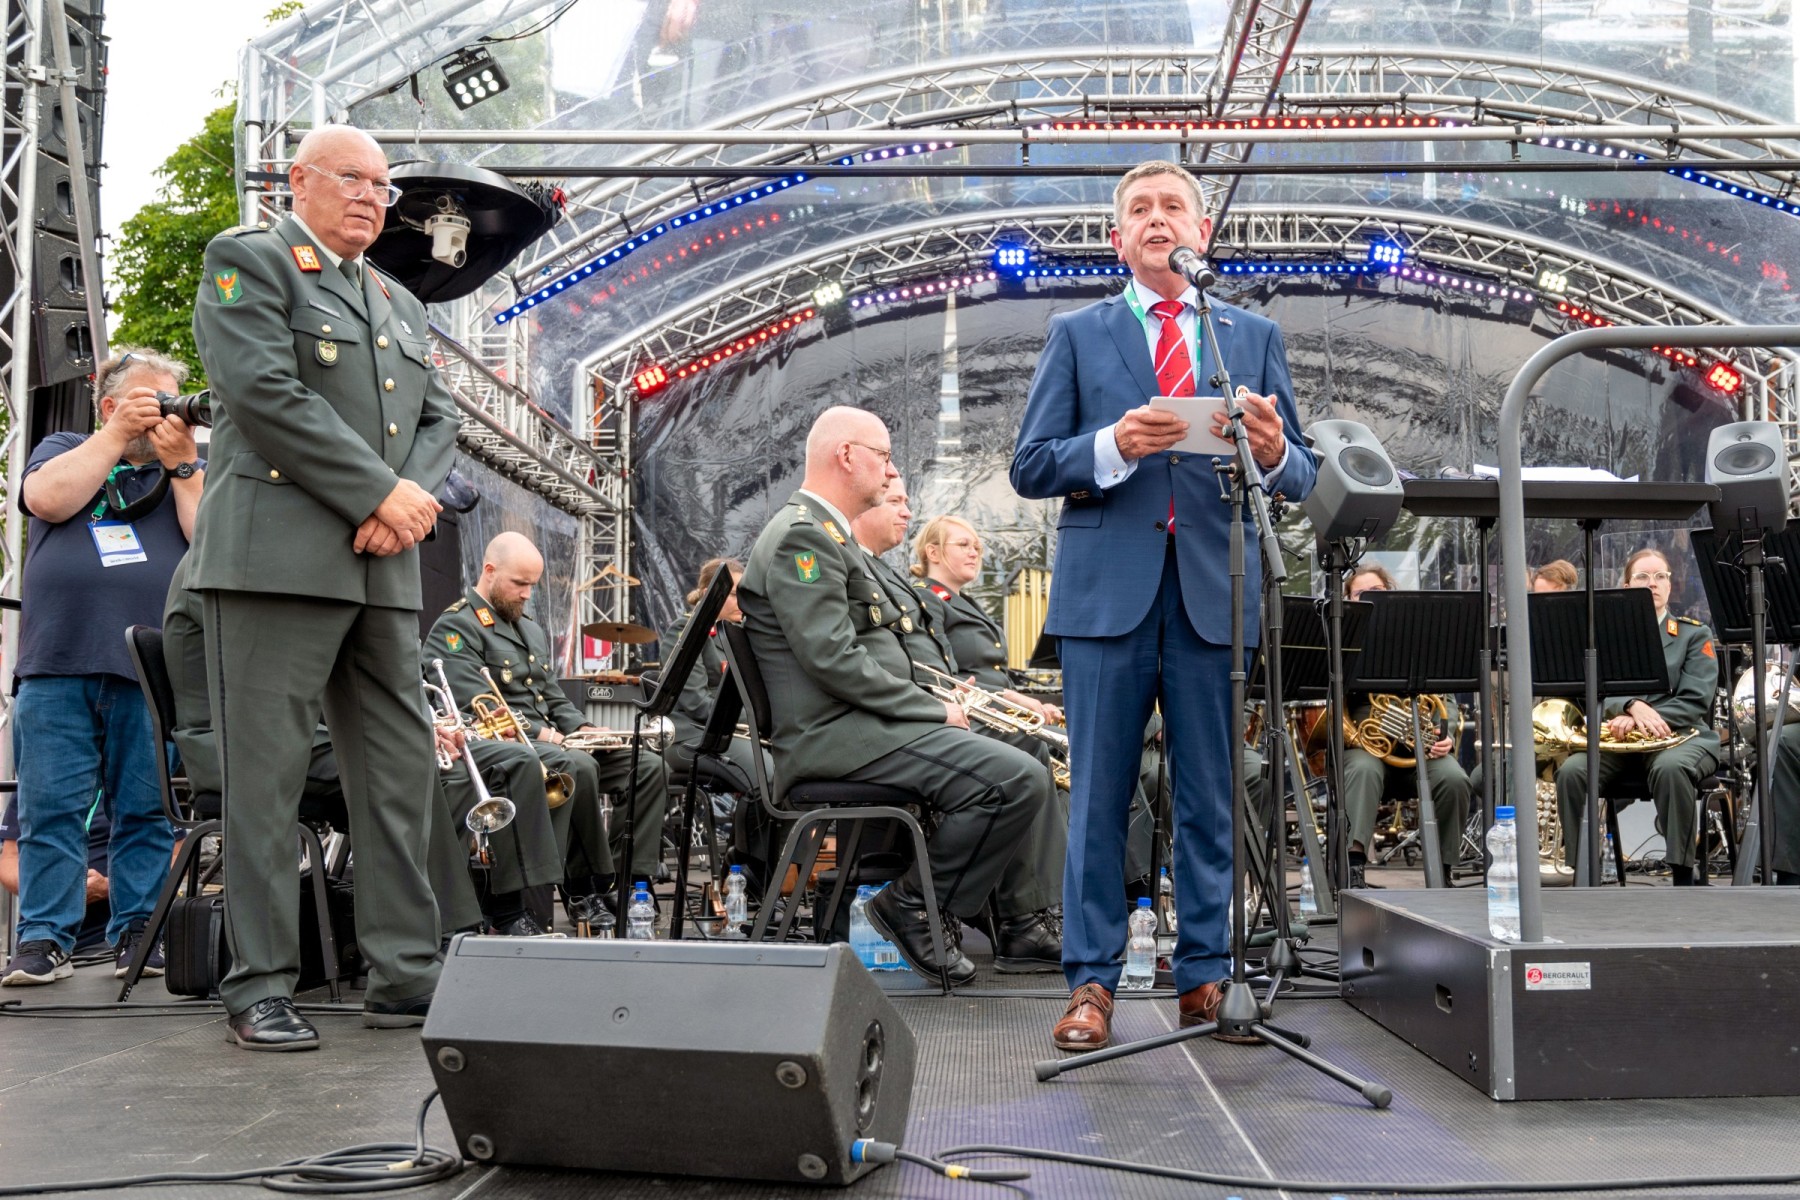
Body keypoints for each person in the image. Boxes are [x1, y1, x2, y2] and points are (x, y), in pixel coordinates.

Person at [1010, 159, 1316, 1052]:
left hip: (1215, 596)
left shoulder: (1249, 334)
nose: (1156, 219)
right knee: (1100, 799)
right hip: (1107, 598)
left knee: (1211, 797)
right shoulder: (1078, 333)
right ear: (1118, 239)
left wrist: (1272, 452)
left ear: (1201, 230)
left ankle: (1207, 976)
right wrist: (1111, 443)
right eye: (1138, 209)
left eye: (1171, 206)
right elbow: (1031, 464)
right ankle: (1090, 984)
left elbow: (1301, 472)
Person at [189, 124, 458, 1049]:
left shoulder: (397, 299)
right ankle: (260, 983)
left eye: (384, 188)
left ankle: (405, 971)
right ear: (298, 180)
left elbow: (440, 417)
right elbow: (264, 392)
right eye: (354, 179)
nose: (372, 199)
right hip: (276, 561)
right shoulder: (250, 260)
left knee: (397, 774)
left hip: (380, 566)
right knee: (266, 780)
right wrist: (380, 492)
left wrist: (404, 503)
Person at [738, 406, 1045, 984]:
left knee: (1023, 757)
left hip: (863, 727)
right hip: (838, 737)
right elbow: (833, 659)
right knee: (1015, 780)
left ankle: (966, 910)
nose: (889, 468)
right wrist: (932, 709)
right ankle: (916, 906)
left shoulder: (828, 535)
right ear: (846, 455)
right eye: (882, 454)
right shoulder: (803, 536)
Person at [1, 347, 199, 988]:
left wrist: (183, 463)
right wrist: (116, 434)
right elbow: (47, 499)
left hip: (149, 667)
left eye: (169, 401)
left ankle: (139, 931)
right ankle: (43, 939)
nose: (163, 413)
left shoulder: (187, 469)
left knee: (146, 808)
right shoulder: (66, 446)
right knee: (50, 806)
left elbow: (212, 545)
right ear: (110, 404)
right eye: (150, 400)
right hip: (58, 659)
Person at [430, 532, 670, 913]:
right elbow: (476, 706)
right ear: (489, 571)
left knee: (649, 765)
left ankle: (629, 880)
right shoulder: (456, 628)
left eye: (533, 585)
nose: (527, 594)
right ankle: (584, 886)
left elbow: (550, 693)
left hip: (552, 741)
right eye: (519, 583)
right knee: (579, 766)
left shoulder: (529, 628)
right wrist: (550, 735)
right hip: (509, 746)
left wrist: (582, 729)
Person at [904, 511, 1066, 973]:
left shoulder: (965, 602)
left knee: (1067, 760)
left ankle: (1059, 906)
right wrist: (1009, 701)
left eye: (977, 545)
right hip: (963, 719)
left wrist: (1024, 700)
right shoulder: (926, 598)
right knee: (1029, 753)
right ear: (932, 552)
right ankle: (1024, 919)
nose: (975, 551)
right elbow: (944, 676)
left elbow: (991, 675)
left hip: (988, 710)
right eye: (963, 544)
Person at [1553, 548, 1721, 884]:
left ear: (1670, 585)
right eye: (1642, 576)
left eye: (1660, 576)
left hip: (1681, 737)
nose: (1652, 583)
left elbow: (1695, 699)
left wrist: (1642, 716)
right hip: (1620, 740)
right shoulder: (1609, 637)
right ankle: (1580, 869)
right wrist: (1629, 704)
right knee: (1572, 771)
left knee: (1671, 768)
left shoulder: (1693, 634)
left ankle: (1682, 871)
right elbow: (1593, 689)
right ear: (1627, 586)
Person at [1339, 565, 1471, 885]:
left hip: (1417, 749)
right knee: (1363, 771)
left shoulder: (1418, 636)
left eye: (1377, 592)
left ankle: (1443, 868)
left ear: (1390, 592)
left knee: (1454, 778)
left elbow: (1445, 698)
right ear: (1349, 601)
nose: (1370, 598)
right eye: (1361, 593)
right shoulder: (1344, 640)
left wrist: (1445, 734)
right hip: (1366, 746)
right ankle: (1354, 865)